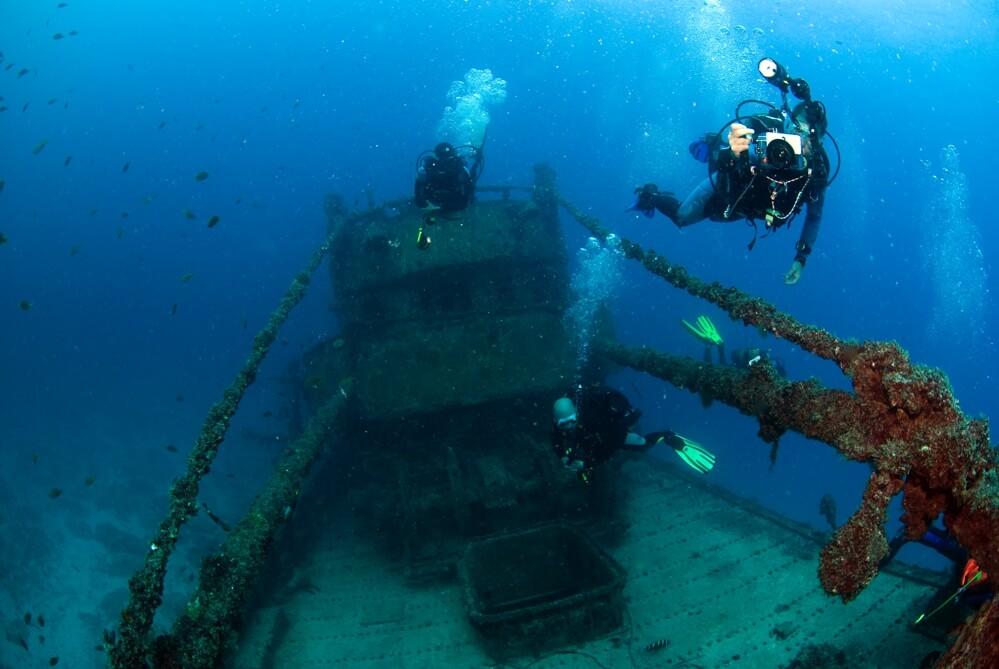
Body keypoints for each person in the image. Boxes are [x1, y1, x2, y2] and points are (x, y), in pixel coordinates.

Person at [630, 57, 834, 285]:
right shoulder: (766, 140)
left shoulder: (816, 175)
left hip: (744, 207)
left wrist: (801, 258)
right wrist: (733, 152)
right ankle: (650, 195)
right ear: (786, 126)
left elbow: (814, 216)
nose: (799, 142)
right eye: (795, 131)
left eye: (808, 137)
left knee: (717, 216)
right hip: (726, 187)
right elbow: (734, 157)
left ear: (819, 142)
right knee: (681, 217)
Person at [551, 383, 715, 483]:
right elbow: (555, 438)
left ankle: (667, 435)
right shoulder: (560, 421)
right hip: (595, 434)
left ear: (576, 412)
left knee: (642, 445)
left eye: (572, 420)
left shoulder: (593, 418)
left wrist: (589, 463)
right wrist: (563, 456)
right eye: (563, 423)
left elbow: (612, 444)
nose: (569, 426)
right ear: (556, 420)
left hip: (614, 427)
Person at [682, 315, 787, 377]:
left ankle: (717, 346)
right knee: (711, 374)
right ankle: (711, 346)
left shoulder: (770, 362)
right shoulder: (772, 367)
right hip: (744, 368)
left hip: (742, 366)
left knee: (720, 370)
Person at [413, 141, 484, 214]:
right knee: (471, 178)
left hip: (444, 204)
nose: (443, 161)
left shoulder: (459, 169)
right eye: (441, 157)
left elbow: (468, 193)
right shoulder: (427, 170)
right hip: (452, 204)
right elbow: (468, 195)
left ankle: (476, 164)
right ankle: (476, 163)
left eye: (446, 157)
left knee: (472, 176)